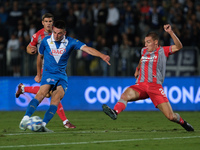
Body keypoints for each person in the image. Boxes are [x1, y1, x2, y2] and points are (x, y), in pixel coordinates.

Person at [19, 20, 111, 132]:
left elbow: (86, 49)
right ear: (53, 30)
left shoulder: (71, 42)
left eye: (60, 33)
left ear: (64, 33)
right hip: (49, 73)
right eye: (55, 32)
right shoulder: (45, 41)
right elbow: (40, 57)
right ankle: (25, 118)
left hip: (62, 76)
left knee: (56, 99)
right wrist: (38, 74)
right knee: (42, 93)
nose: (57, 36)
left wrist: (101, 55)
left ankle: (42, 125)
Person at [102, 24, 194, 132]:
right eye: (145, 42)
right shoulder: (144, 51)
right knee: (125, 94)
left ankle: (183, 122)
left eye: (148, 42)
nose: (146, 45)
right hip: (141, 85)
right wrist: (137, 69)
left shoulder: (162, 51)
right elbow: (142, 59)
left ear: (156, 42)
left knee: (171, 116)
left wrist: (170, 32)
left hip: (155, 87)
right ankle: (115, 112)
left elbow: (179, 46)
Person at [16, 13, 76, 129]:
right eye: (46, 21)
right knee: (52, 94)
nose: (49, 23)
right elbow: (29, 47)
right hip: (46, 67)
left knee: (49, 93)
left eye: (50, 21)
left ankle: (23, 88)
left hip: (57, 68)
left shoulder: (58, 33)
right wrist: (31, 50)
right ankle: (65, 121)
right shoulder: (38, 35)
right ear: (42, 23)